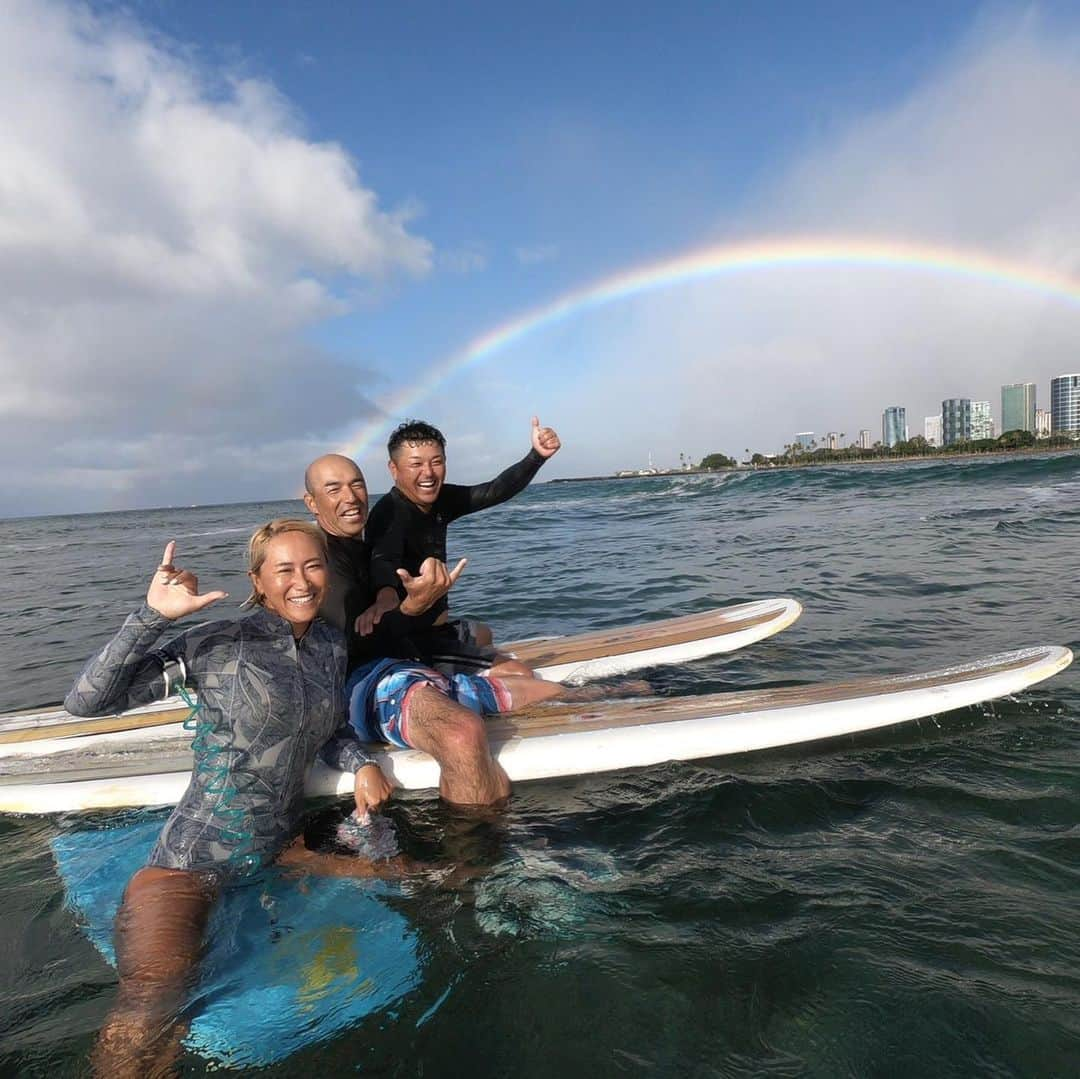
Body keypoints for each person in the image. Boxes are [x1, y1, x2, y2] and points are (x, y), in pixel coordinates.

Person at [64, 521, 408, 1077]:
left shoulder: (327, 644)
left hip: (274, 855)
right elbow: (86, 702)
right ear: (259, 581)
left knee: (429, 879)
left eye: (313, 565)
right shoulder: (217, 643)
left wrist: (361, 761)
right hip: (186, 867)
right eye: (284, 570)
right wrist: (151, 617)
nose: (302, 581)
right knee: (153, 1002)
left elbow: (329, 731)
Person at [362, 416, 560, 675]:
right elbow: (382, 557)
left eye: (436, 462)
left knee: (483, 633)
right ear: (394, 469)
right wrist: (385, 595)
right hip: (411, 641)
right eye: (416, 464)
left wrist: (537, 456)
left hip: (437, 627)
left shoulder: (440, 500)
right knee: (519, 672)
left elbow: (493, 491)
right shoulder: (389, 513)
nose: (428, 473)